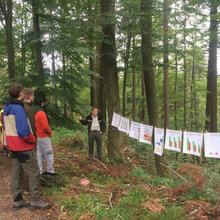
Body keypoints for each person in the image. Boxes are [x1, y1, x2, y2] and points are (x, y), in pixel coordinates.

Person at [3, 84, 50, 211]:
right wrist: (32, 139)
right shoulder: (18, 109)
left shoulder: (6, 108)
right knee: (34, 172)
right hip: (23, 146)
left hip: (13, 146)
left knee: (16, 173)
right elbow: (23, 131)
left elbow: (5, 126)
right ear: (20, 94)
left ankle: (17, 200)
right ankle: (35, 200)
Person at [34, 96, 54, 174]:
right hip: (43, 136)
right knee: (49, 154)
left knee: (39, 154)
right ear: (42, 103)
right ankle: (50, 172)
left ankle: (41, 171)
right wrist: (49, 132)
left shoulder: (33, 112)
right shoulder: (41, 113)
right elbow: (45, 126)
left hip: (37, 136)